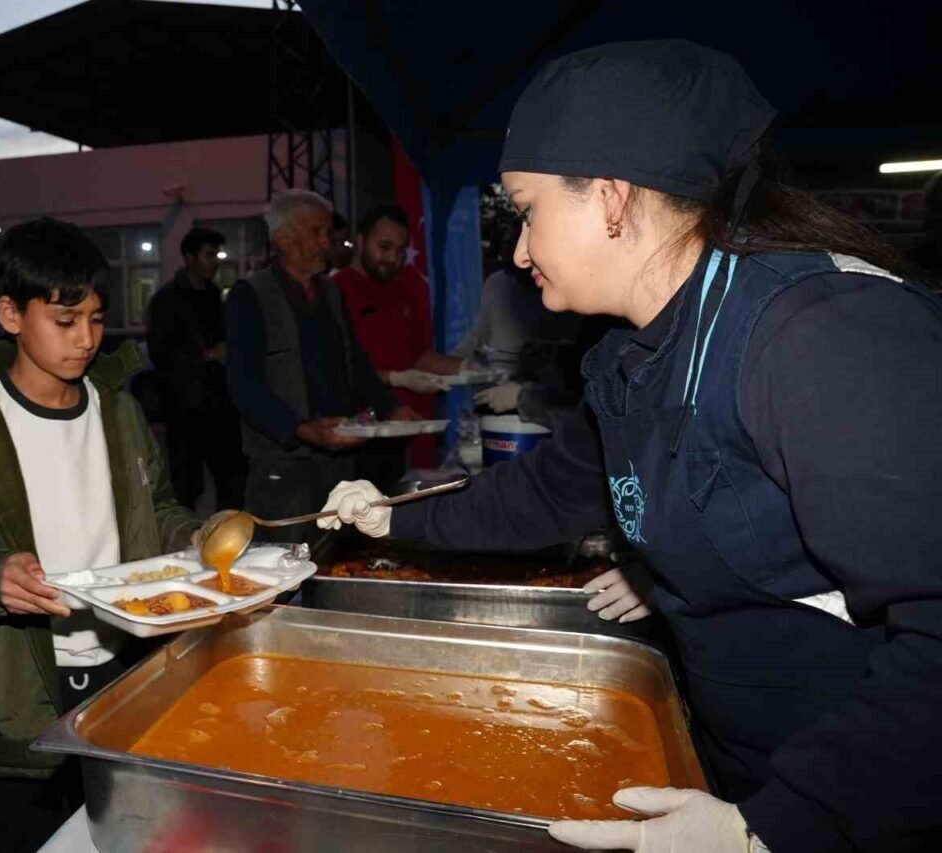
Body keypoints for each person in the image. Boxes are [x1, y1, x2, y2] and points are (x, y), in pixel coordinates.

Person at [319, 40, 942, 853]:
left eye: (525, 211)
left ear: (609, 198)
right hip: (729, 764)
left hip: (851, 803)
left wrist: (772, 828)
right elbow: (542, 494)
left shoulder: (821, 334)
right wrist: (390, 520)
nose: (516, 250)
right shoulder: (627, 355)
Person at [0, 218, 198, 853]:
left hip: (124, 668)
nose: (86, 340)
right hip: (21, 688)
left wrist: (199, 535)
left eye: (97, 319)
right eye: (64, 320)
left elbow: (153, 512)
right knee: (32, 836)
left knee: (127, 834)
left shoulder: (118, 410)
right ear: (10, 313)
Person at [225, 190, 415, 541]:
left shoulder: (330, 293)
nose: (326, 241)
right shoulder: (250, 295)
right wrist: (300, 428)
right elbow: (242, 384)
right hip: (283, 467)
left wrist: (391, 407)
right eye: (316, 232)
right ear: (282, 238)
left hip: (339, 460)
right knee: (286, 569)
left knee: (338, 560)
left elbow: (354, 362)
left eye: (328, 232)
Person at [331, 204, 460, 485]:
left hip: (401, 425)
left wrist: (467, 368)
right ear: (361, 240)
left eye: (400, 250)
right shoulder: (335, 291)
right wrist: (396, 378)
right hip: (355, 430)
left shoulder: (407, 286)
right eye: (384, 246)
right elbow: (339, 369)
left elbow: (419, 355)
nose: (392, 258)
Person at [145, 226, 246, 510]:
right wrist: (209, 354)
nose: (215, 261)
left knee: (231, 480)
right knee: (187, 486)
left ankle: (229, 543)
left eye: (217, 254)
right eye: (209, 254)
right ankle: (185, 547)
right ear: (189, 258)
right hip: (185, 407)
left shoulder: (214, 296)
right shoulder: (167, 300)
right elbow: (161, 352)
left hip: (220, 405)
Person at [453, 222, 588, 424]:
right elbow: (477, 337)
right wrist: (459, 365)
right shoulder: (497, 284)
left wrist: (545, 354)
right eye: (508, 244)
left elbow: (576, 370)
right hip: (498, 392)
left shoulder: (566, 290)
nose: (514, 255)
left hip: (544, 403)